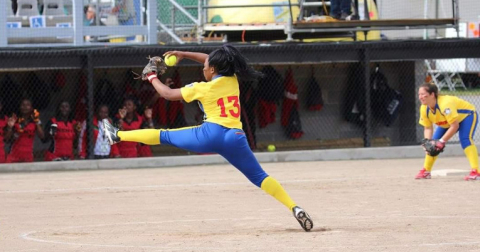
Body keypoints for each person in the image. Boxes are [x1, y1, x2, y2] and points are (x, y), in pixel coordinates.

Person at [101, 45, 314, 231]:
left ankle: (117, 135)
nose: (203, 67)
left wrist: (151, 77)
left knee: (163, 135)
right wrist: (183, 53)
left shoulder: (202, 88)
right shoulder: (232, 79)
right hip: (236, 137)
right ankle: (294, 207)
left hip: (210, 135)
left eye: (206, 66)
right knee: (260, 177)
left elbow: (166, 94)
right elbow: (210, 60)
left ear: (213, 69)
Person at [416, 83, 479, 181]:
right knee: (432, 144)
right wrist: (427, 142)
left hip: (467, 116)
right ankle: (426, 171)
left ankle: (476, 171)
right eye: (419, 94)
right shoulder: (424, 108)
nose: (420, 97)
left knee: (465, 139)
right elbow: (428, 128)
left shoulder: (445, 104)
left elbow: (455, 126)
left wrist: (441, 141)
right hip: (448, 122)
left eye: (423, 94)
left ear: (432, 94)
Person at [5, 98, 45, 163]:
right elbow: (7, 139)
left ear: (31, 108)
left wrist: (36, 121)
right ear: (20, 107)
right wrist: (10, 127)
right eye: (23, 105)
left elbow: (42, 136)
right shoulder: (15, 120)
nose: (25, 107)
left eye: (28, 105)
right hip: (13, 155)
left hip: (28, 155)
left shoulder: (35, 121)